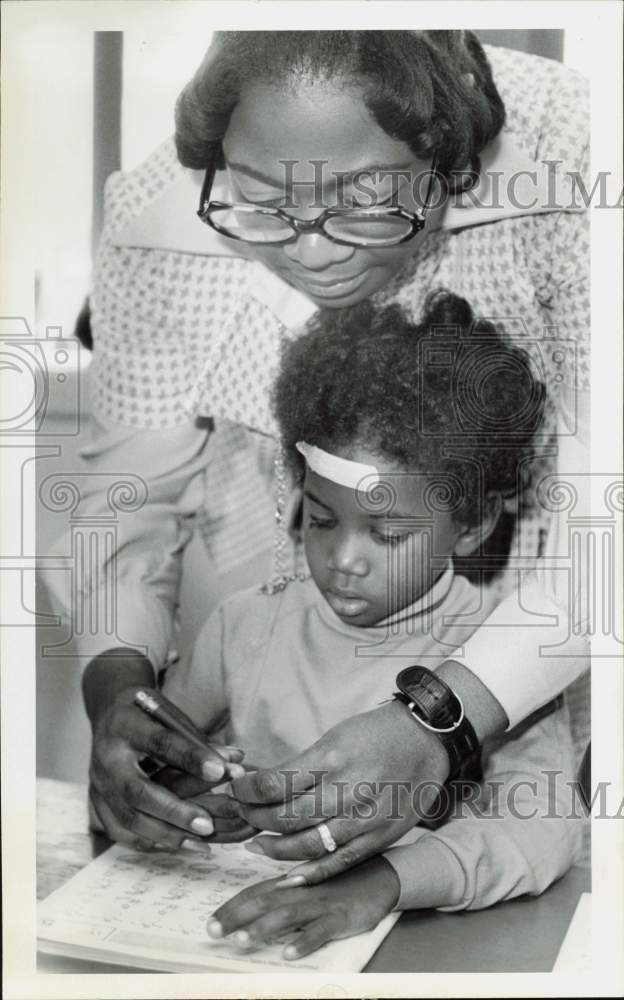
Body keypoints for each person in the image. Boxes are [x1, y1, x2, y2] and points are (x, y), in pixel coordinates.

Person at [43, 31, 590, 864]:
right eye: (262, 201)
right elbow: (124, 507)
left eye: (368, 198)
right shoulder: (159, 212)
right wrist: (118, 686)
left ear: (449, 157)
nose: (312, 251)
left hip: (548, 611)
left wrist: (442, 719)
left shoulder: (577, 165)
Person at [159, 292, 584, 960]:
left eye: (386, 533)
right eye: (322, 520)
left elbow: (546, 832)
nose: (345, 559)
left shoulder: (503, 665)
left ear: (471, 525)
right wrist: (176, 790)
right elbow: (165, 758)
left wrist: (384, 882)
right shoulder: (243, 625)